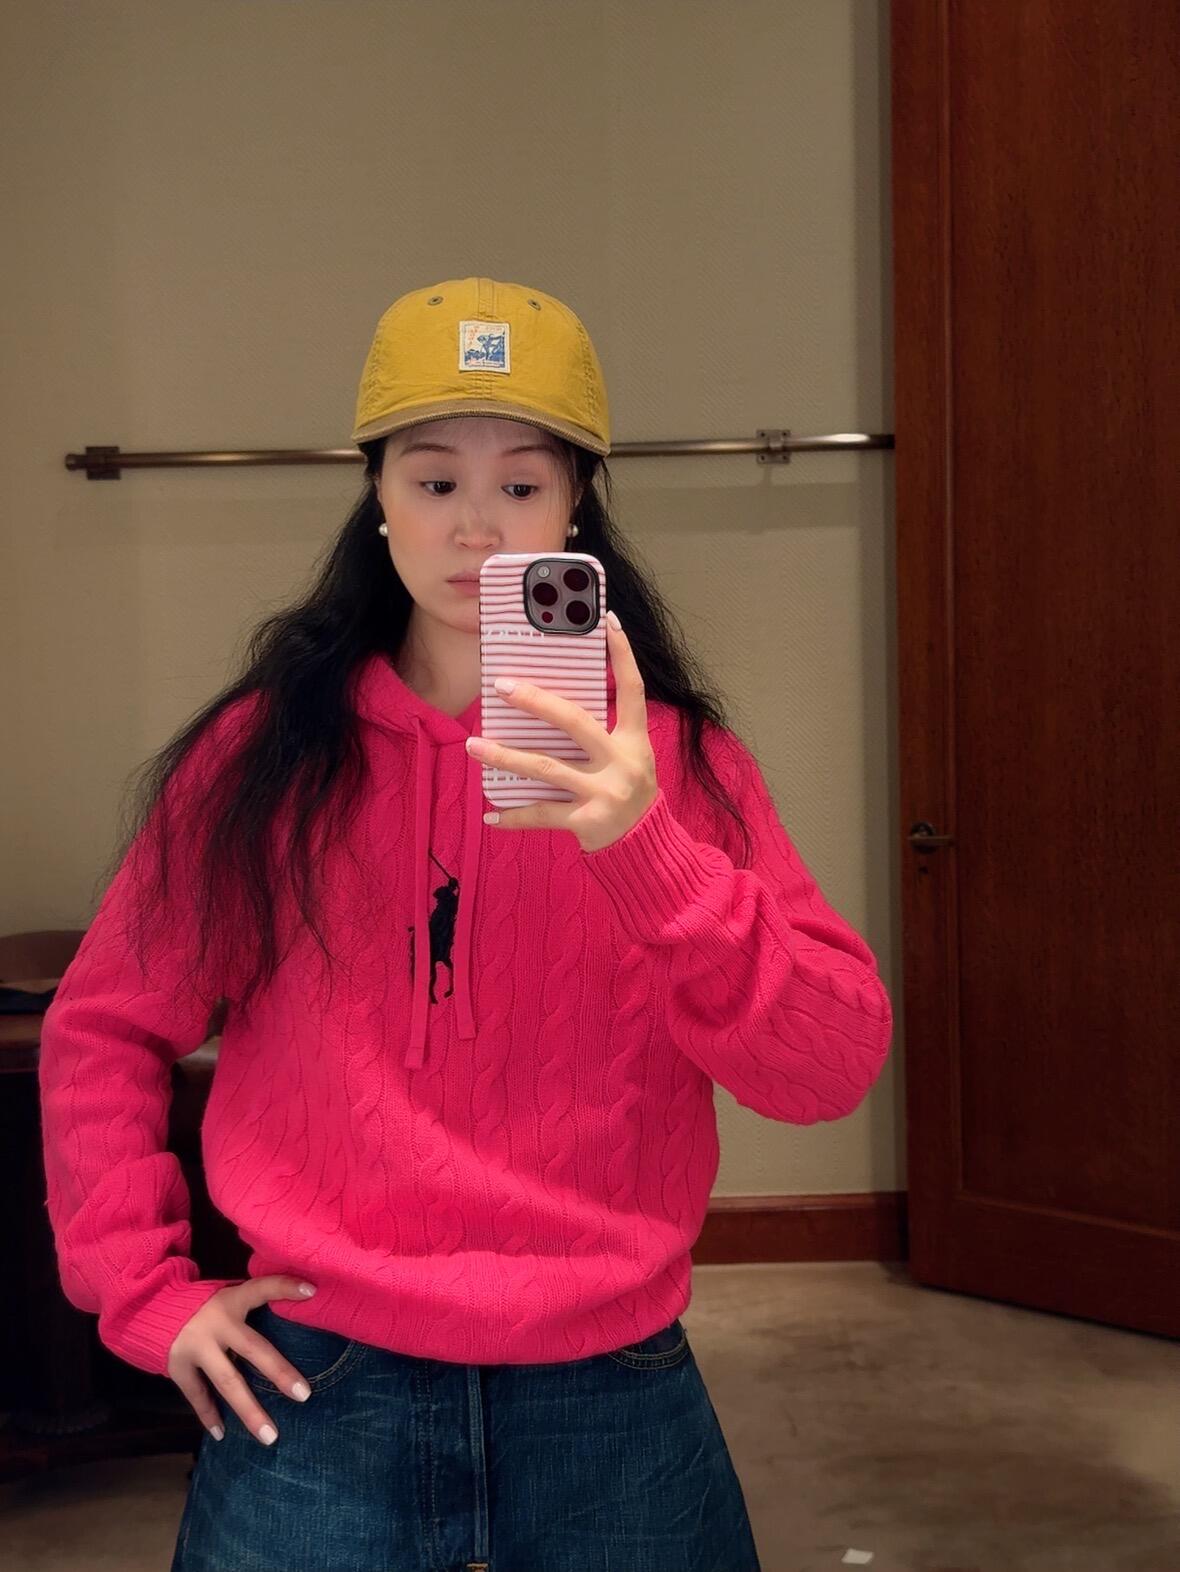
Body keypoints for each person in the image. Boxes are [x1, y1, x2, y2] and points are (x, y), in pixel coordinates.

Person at [37, 275, 894, 1572]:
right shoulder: (264, 758)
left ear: (577, 506)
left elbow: (828, 1068)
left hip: (613, 1382)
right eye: (434, 480)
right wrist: (145, 1291)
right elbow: (104, 1025)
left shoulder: (676, 765)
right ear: (376, 498)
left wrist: (645, 849)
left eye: (522, 484)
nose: (476, 526)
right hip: (317, 1374)